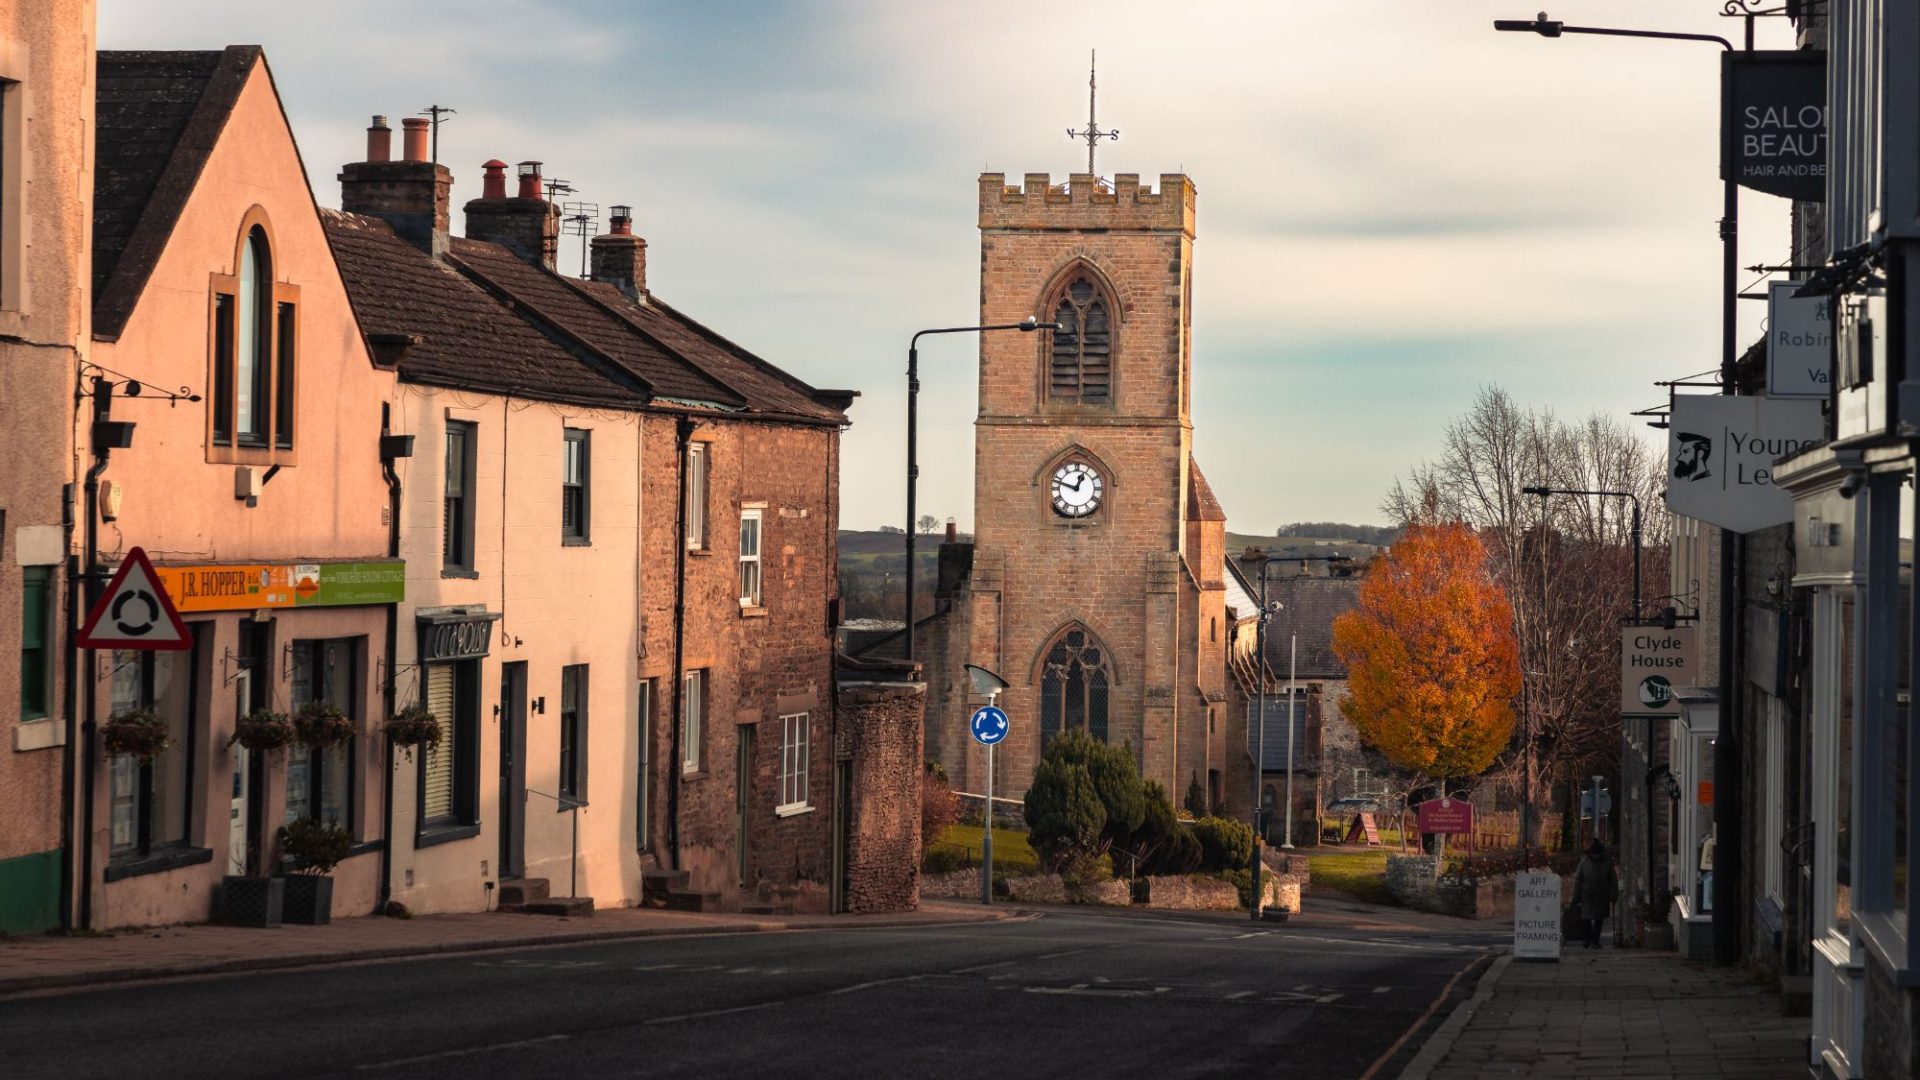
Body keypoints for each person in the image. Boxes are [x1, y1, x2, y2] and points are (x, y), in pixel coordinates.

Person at [1572, 839, 1619, 949]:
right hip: (1587, 894)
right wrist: (1576, 896)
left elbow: (1613, 880)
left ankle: (1595, 940)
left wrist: (1613, 895)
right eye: (1594, 854)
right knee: (1586, 918)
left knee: (1599, 918)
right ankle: (1587, 938)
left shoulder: (1607, 862)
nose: (1596, 856)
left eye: (1598, 854)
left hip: (1602, 894)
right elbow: (1578, 879)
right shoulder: (1584, 862)